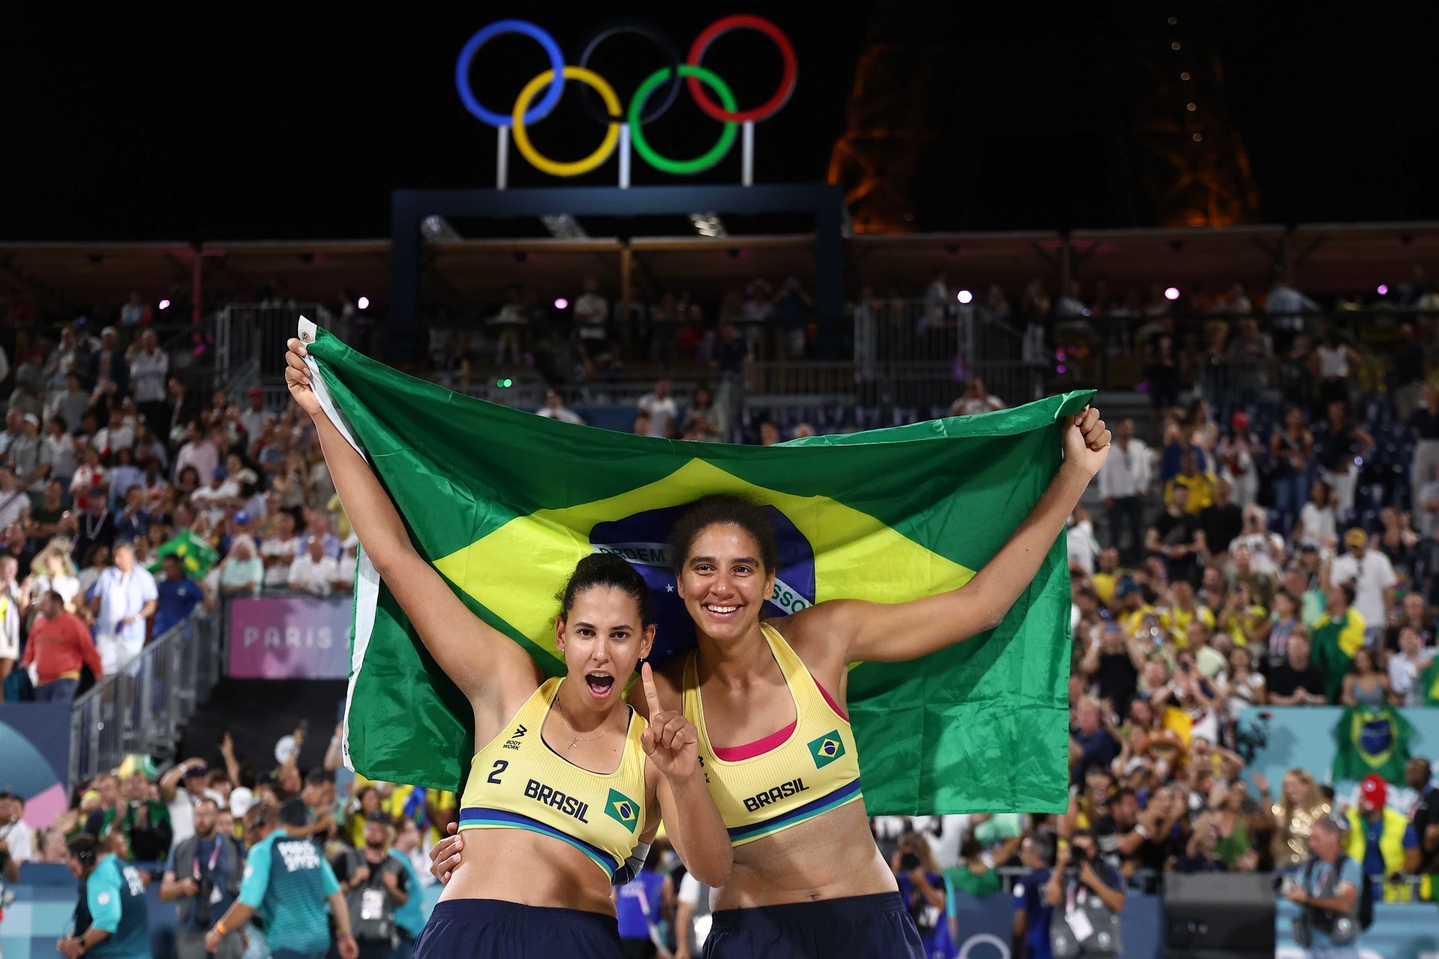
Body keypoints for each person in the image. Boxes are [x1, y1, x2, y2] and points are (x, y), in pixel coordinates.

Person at [447, 399, 1111, 956]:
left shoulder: (822, 639)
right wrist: (474, 851)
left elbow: (978, 606)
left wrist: (1073, 477)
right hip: (748, 934)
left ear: (769, 581)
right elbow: (580, 780)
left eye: (742, 567)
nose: (722, 585)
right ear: (678, 584)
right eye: (703, 567)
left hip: (865, 921)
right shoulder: (660, 694)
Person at [286, 338, 732, 958]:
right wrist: (323, 416)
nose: (600, 653)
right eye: (585, 633)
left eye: (619, 635)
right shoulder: (506, 683)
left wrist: (686, 780)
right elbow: (394, 554)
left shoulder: (655, 748)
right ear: (561, 636)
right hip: (464, 934)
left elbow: (712, 871)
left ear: (644, 644)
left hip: (579, 943)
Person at [205, 798, 360, 959]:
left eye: (248, 829)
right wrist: (346, 935)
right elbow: (336, 895)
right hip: (319, 944)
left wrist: (218, 931)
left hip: (288, 944)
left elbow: (248, 902)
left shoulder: (263, 851)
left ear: (261, 825)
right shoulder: (311, 847)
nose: (247, 836)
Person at [160, 796, 247, 959]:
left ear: (216, 816)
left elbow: (247, 888)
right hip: (191, 931)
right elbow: (164, 892)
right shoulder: (181, 848)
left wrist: (242, 930)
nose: (201, 820)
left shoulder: (234, 846)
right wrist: (182, 887)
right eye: (197, 814)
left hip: (226, 929)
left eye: (206, 814)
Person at [57, 834, 150, 959]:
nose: (75, 876)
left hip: (116, 954)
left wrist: (81, 945)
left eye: (74, 869)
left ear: (86, 858)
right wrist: (72, 939)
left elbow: (107, 919)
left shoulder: (101, 874)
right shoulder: (123, 867)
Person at [332, 812, 409, 959]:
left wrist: (392, 889)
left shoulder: (395, 865)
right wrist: (352, 881)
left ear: (387, 834)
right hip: (350, 935)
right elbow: (331, 892)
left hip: (380, 938)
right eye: (369, 828)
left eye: (377, 830)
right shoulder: (347, 858)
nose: (372, 833)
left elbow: (403, 899)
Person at [1286, 815, 1362, 959]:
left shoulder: (1348, 866)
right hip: (1312, 945)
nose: (1311, 844)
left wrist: (1307, 899)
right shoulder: (1310, 865)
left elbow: (1345, 904)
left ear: (1332, 837)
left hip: (1340, 948)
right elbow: (1297, 890)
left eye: (1316, 839)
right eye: (1310, 839)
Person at [1045, 829, 1124, 956]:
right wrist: (1059, 865)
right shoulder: (1062, 872)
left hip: (1100, 945)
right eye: (1078, 849)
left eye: (1088, 849)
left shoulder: (1107, 870)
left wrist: (1093, 881)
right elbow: (1051, 899)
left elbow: (1118, 905)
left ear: (1095, 849)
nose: (1084, 854)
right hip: (1068, 945)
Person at [1343, 774, 1420, 903]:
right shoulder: (1349, 819)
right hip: (1356, 887)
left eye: (1363, 798)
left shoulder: (1401, 823)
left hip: (1391, 891)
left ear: (1372, 802)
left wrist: (1401, 874)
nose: (1358, 802)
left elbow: (1414, 856)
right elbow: (1337, 844)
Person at [87, 540, 158, 674]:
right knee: (105, 673)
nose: (117, 560)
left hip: (131, 634)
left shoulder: (144, 577)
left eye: (121, 556)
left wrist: (137, 617)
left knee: (128, 675)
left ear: (130, 555)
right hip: (107, 632)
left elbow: (152, 604)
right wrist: (90, 612)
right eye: (115, 556)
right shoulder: (107, 575)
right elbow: (97, 599)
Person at [21, 589, 103, 701]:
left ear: (57, 604)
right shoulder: (38, 623)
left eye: (45, 603)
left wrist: (98, 671)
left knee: (57, 713)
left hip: (66, 678)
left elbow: (88, 648)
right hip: (42, 681)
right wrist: (26, 661)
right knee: (43, 716)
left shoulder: (74, 624)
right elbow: (31, 645)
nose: (41, 606)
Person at [1328, 528, 1396, 647]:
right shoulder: (1340, 563)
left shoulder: (1379, 560)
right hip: (1352, 620)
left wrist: (1390, 614)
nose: (1356, 550)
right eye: (1353, 547)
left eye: (1358, 546)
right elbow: (1336, 591)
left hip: (1376, 618)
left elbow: (1388, 588)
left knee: (1374, 655)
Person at [1097, 418, 1149, 565]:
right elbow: (1104, 473)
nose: (1127, 430)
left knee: (1137, 529)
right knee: (1115, 531)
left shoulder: (1139, 446)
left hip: (1134, 495)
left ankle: (1138, 561)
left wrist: (1142, 488)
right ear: (1118, 428)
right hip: (1116, 496)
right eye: (1124, 426)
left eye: (1130, 427)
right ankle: (1114, 562)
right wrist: (1105, 494)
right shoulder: (1110, 449)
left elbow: (1145, 469)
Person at [614, 844, 670, 959]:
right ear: (658, 859)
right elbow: (667, 911)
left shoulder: (624, 879)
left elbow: (613, 901)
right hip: (646, 935)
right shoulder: (663, 881)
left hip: (620, 933)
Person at [1010, 835, 1055, 959]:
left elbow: (1020, 920)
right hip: (1058, 944)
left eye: (1024, 851)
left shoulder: (1025, 882)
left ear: (1036, 853)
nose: (1021, 855)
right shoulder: (1056, 881)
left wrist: (1015, 952)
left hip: (1034, 946)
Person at [1267, 633, 1328, 706]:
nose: (1296, 650)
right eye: (1292, 647)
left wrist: (1308, 697)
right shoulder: (1277, 672)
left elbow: (1323, 699)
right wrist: (1294, 700)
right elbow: (1272, 698)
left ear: (1308, 648)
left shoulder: (1317, 672)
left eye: (1299, 647)